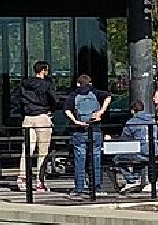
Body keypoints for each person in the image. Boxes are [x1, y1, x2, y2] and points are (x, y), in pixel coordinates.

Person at [17, 61, 58, 198]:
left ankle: (22, 178)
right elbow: (55, 99)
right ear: (43, 70)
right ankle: (40, 182)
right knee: (43, 151)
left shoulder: (25, 84)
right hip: (42, 116)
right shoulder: (46, 84)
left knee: (27, 149)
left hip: (28, 118)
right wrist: (51, 110)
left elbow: (18, 100)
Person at [67, 72, 106, 200]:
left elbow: (67, 109)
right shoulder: (95, 92)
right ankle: (96, 187)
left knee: (80, 159)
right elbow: (109, 96)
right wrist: (100, 112)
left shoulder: (74, 94)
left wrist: (76, 121)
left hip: (79, 130)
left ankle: (80, 188)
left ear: (78, 83)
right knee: (96, 158)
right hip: (95, 129)